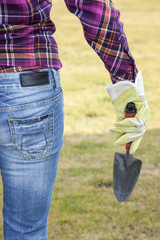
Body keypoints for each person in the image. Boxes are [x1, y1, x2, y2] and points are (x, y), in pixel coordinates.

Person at [0, 0, 149, 239]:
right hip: (27, 82)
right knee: (26, 230)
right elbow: (92, 5)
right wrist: (126, 81)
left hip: (27, 87)